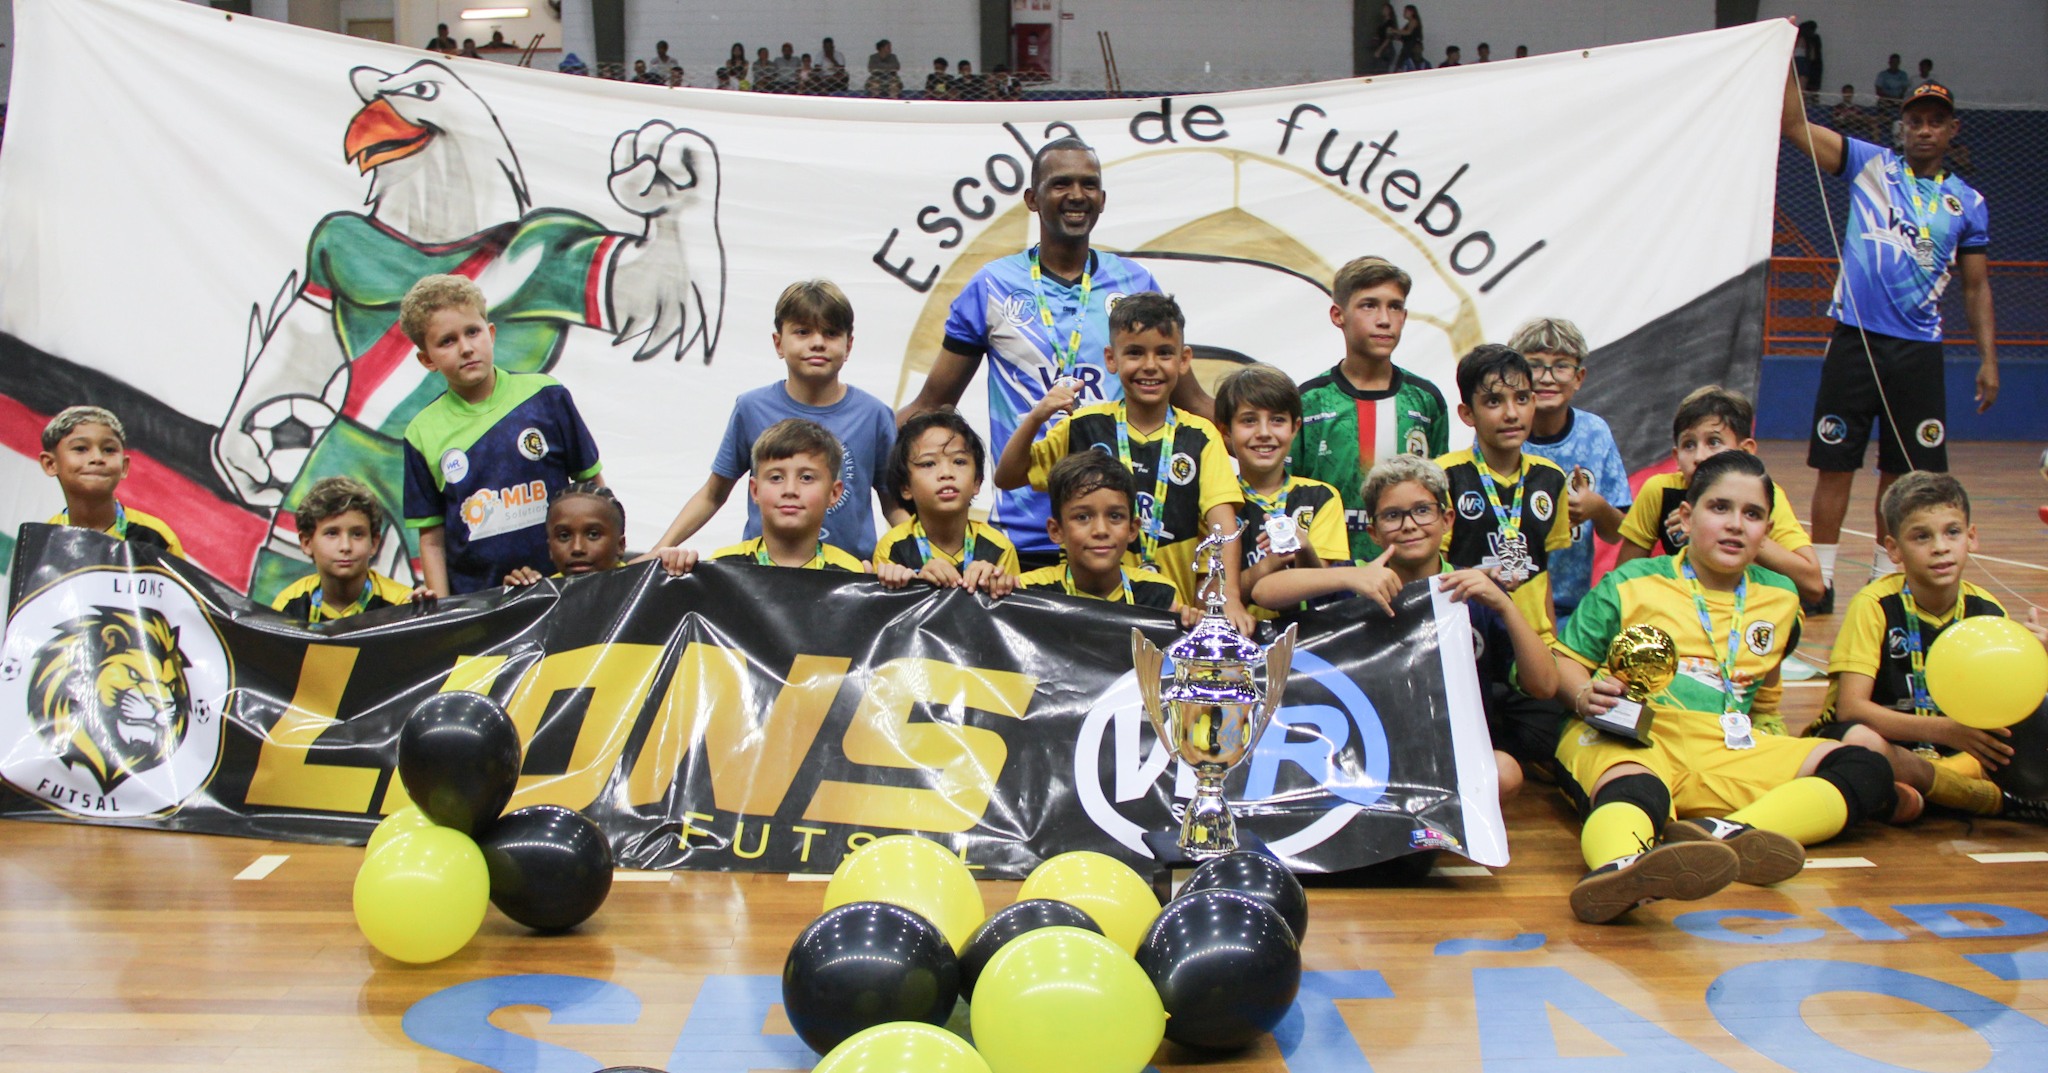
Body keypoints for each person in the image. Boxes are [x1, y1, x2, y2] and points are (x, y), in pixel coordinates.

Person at [1556, 450, 1898, 925]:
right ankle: (1621, 868)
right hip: (1636, 737)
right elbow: (1565, 660)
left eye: (1752, 514)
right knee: (1635, 788)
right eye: (1720, 508)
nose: (1736, 524)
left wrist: (1772, 742)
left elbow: (1765, 694)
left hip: (1725, 743)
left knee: (1864, 766)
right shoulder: (1631, 582)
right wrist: (1581, 694)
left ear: (1767, 531)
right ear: (1686, 516)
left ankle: (1721, 832)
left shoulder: (1780, 598)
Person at [900, 136, 1178, 566]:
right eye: (1061, 183)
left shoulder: (1135, 283)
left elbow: (1184, 394)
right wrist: (850, 444)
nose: (1076, 195)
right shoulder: (992, 285)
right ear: (1032, 199)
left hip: (1113, 531)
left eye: (1089, 184)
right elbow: (933, 403)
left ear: (1102, 199)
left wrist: (1262, 439)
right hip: (1023, 537)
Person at [1780, 72, 1994, 615]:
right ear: (1902, 127)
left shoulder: (1968, 203)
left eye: (1935, 122)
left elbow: (1976, 287)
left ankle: (1885, 583)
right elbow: (1795, 125)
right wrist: (1786, 51)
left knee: (1906, 474)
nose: (1924, 130)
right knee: (1835, 462)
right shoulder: (1870, 164)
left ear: (1952, 130)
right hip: (1854, 340)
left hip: (1918, 352)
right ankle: (1820, 581)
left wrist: (1989, 359)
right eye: (1915, 120)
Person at [1252, 455, 1561, 799]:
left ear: (1447, 520)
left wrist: (1504, 604)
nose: (1410, 525)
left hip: (1444, 755)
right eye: (1392, 516)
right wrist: (1349, 576)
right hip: (1360, 754)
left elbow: (1545, 685)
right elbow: (1264, 592)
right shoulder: (1356, 581)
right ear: (1373, 532)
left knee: (1506, 772)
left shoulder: (1473, 591)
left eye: (1422, 510)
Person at [994, 293, 1250, 630]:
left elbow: (1222, 523)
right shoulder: (1081, 426)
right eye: (1135, 353)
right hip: (1082, 613)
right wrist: (1037, 416)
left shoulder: (1201, 435)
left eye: (1164, 353)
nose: (1149, 365)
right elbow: (1007, 477)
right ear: (1111, 359)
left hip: (1169, 614)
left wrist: (1229, 596)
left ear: (1184, 360)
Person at [1808, 473, 2048, 823]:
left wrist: (2037, 657)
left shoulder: (1988, 611)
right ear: (1893, 549)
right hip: (1885, 745)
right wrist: (1943, 730)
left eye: (1952, 532)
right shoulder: (1875, 605)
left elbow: (2006, 711)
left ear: (1971, 537)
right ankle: (1987, 800)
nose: (1940, 547)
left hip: (1958, 751)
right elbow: (1851, 708)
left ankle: (1923, 792)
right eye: (1922, 536)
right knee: (1862, 745)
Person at [649, 280, 898, 565]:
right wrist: (659, 549)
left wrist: (922, 559)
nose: (818, 342)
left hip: (850, 576)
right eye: (803, 332)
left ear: (849, 345)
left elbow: (895, 505)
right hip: (763, 575)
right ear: (778, 343)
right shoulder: (752, 408)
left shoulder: (874, 414)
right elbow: (713, 494)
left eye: (831, 333)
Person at [398, 275, 603, 596]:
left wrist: (608, 576)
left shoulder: (546, 395)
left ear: (491, 333)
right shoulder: (421, 433)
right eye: (447, 341)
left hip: (565, 592)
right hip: (480, 605)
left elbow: (595, 491)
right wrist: (445, 612)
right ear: (427, 360)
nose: (466, 348)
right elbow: (432, 539)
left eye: (473, 332)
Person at [1288, 255, 1450, 563]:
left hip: (1410, 575)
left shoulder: (1425, 399)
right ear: (1338, 315)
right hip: (1329, 576)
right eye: (1369, 305)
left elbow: (1439, 494)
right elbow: (1285, 495)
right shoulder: (1309, 401)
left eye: (1395, 307)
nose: (1384, 319)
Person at [1616, 386, 1824, 617]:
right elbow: (1623, 580)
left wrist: (1747, 536)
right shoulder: (1660, 491)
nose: (1699, 456)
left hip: (1743, 617)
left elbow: (1814, 586)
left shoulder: (1765, 497)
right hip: (1678, 614)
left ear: (1745, 451)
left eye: (1713, 442)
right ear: (1676, 457)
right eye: (1689, 445)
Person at [1435, 345, 1572, 641]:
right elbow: (1434, 572)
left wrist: (1552, 642)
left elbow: (1543, 572)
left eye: (1521, 399)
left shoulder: (1552, 478)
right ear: (1467, 413)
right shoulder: (1443, 476)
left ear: (1533, 402)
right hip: (1469, 635)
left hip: (1535, 639)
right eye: (1494, 401)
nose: (1511, 414)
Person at [1512, 318, 1630, 633]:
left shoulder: (1595, 433)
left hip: (1573, 608)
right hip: (1511, 602)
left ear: (1578, 378)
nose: (1547, 378)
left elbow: (1617, 533)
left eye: (1561, 366)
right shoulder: (1502, 434)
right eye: (1534, 366)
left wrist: (1597, 508)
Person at [1213, 365, 1349, 619]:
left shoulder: (1322, 497)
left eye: (1277, 420)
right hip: (1239, 635)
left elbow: (1322, 592)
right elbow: (1209, 596)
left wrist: (1305, 548)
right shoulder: (1217, 502)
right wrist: (1269, 565)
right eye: (1249, 420)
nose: (1264, 433)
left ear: (1295, 427)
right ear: (1225, 431)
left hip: (1309, 637)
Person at [1018, 452, 1191, 620]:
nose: (1101, 530)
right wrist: (1001, 589)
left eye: (1115, 516)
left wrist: (1193, 625)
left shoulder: (1160, 596)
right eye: (1082, 517)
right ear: (1056, 531)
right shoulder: (1026, 593)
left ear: (1132, 529)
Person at [872, 410, 1021, 594]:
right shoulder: (891, 547)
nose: (946, 473)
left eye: (959, 461)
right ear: (905, 487)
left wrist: (997, 584)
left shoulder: (1000, 547)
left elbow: (1010, 608)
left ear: (977, 482)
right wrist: (916, 583)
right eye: (928, 464)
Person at [707, 419, 868, 572]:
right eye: (776, 478)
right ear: (755, 491)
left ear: (834, 493)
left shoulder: (851, 573)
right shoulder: (723, 567)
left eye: (806, 478)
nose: (790, 490)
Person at [272, 477, 428, 622]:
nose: (345, 547)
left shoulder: (401, 604)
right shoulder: (289, 604)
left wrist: (426, 622)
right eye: (332, 533)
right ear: (307, 543)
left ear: (374, 543)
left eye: (357, 534)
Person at [40, 405, 184, 558]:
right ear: (50, 464)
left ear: (124, 466)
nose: (97, 458)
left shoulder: (156, 538)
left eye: (109, 450)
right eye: (81, 448)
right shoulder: (43, 541)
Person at [504, 482, 633, 585]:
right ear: (550, 549)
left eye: (593, 534)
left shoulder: (636, 587)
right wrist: (512, 601)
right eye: (564, 536)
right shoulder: (544, 595)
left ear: (620, 546)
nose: (577, 548)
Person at [1794, 20, 1823, 96]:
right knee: (1801, 90)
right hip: (1803, 63)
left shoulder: (1795, 38)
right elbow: (1812, 56)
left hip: (1793, 63)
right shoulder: (1810, 40)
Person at [1394, 5, 1426, 71]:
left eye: (1406, 11)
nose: (1404, 13)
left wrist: (1394, 30)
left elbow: (1408, 32)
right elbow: (1403, 35)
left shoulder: (1413, 21)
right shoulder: (1408, 23)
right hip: (1407, 47)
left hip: (1411, 47)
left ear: (1412, 12)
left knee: (1402, 65)